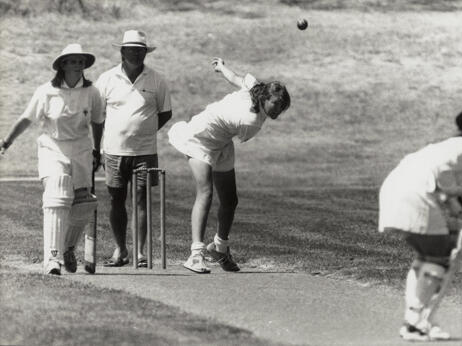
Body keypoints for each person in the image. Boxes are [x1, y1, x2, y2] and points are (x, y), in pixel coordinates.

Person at [378, 105, 462, 341]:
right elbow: (441, 174)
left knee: (427, 257)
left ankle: (419, 321)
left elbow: (438, 178)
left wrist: (455, 201)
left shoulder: (449, 144)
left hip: (394, 189)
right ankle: (413, 323)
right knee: (437, 258)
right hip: (414, 195)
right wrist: (456, 199)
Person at [168, 57, 290, 273]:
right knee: (205, 193)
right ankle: (195, 255)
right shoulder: (250, 123)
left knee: (230, 200)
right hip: (199, 138)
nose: (278, 110)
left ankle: (219, 247)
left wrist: (221, 67)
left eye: (282, 106)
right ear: (265, 98)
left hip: (221, 142)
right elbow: (240, 124)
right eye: (275, 103)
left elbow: (235, 77)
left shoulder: (256, 88)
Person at [0, 44, 103, 275]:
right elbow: (27, 119)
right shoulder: (46, 91)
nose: (78, 65)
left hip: (81, 148)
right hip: (52, 147)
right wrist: (6, 141)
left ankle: (68, 247)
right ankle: (52, 258)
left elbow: (97, 121)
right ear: (62, 65)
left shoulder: (92, 92)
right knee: (58, 189)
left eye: (80, 61)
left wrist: (98, 149)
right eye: (72, 61)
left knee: (83, 202)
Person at [96, 30, 172, 267]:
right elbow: (98, 116)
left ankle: (140, 252)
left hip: (145, 152)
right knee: (116, 200)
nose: (136, 53)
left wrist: (144, 131)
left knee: (141, 201)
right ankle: (121, 250)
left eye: (140, 50)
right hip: (113, 151)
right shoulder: (107, 79)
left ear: (145, 52)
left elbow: (165, 112)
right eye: (131, 49)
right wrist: (96, 147)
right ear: (122, 51)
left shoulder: (156, 79)